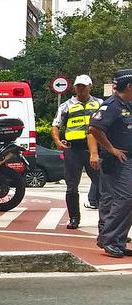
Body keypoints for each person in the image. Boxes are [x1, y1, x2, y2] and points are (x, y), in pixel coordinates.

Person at [87, 69, 132, 258]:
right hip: (117, 160)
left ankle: (118, 241)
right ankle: (108, 238)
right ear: (129, 86)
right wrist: (111, 149)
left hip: (128, 159)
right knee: (124, 199)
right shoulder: (112, 105)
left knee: (128, 200)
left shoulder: (127, 104)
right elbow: (94, 128)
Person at [52, 75, 102, 228]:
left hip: (94, 150)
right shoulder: (66, 105)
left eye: (84, 86)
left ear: (90, 87)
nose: (81, 89)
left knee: (103, 185)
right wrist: (58, 141)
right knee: (72, 186)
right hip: (73, 150)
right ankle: (74, 218)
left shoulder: (99, 104)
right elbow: (56, 125)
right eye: (78, 86)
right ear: (74, 88)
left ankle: (106, 221)